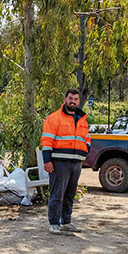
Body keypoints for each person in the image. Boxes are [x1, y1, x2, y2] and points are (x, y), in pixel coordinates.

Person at [41, 88, 91, 235]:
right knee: (57, 194)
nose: (72, 102)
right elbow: (46, 140)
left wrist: (85, 150)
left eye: (75, 99)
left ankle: (66, 222)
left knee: (70, 194)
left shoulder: (82, 120)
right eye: (70, 98)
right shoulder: (54, 118)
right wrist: (47, 160)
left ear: (79, 101)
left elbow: (87, 138)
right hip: (59, 162)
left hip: (76, 163)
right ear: (65, 99)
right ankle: (54, 223)